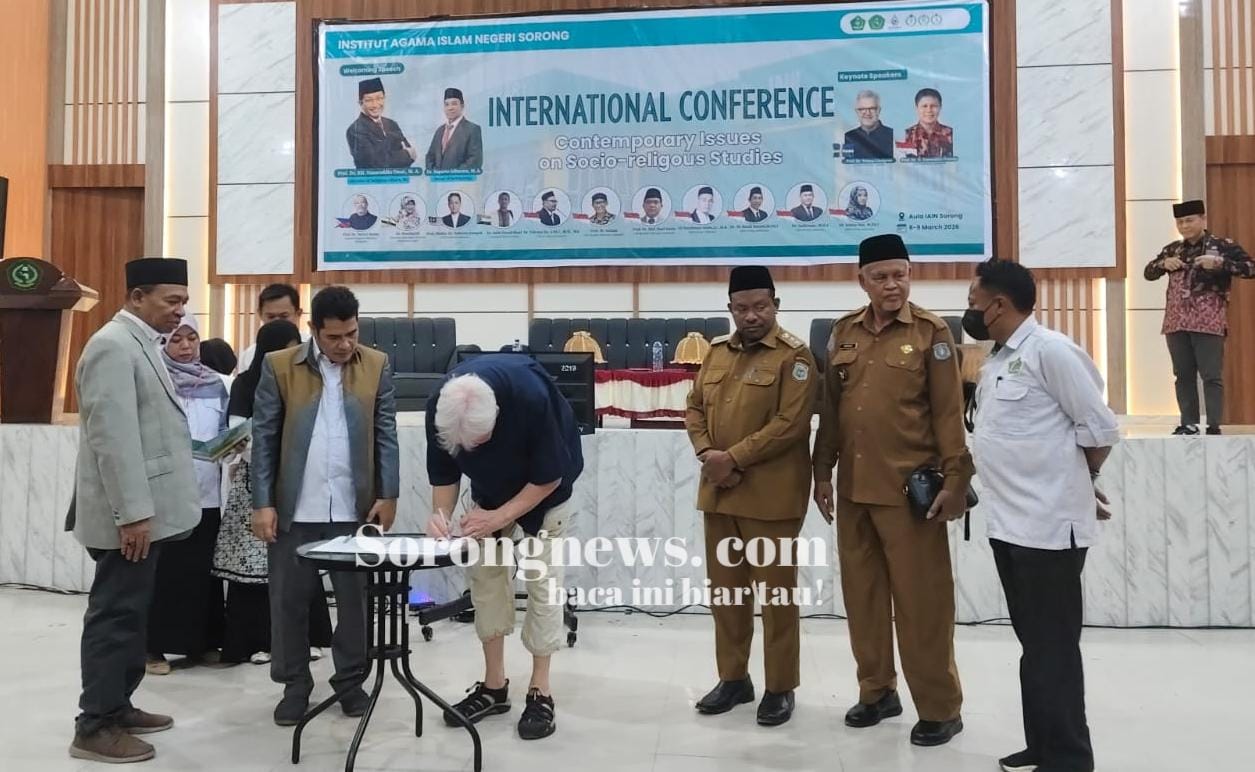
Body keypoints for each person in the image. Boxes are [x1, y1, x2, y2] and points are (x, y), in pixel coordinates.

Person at [812, 233, 972, 747]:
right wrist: (822, 471)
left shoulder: (931, 333)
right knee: (863, 600)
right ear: (862, 280)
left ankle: (941, 708)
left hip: (909, 494)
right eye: (880, 277)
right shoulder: (843, 333)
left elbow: (948, 415)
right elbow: (831, 411)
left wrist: (957, 480)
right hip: (854, 490)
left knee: (922, 605)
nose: (892, 285)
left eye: (900, 275)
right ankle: (877, 690)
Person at [965, 258, 1120, 772]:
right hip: (1009, 525)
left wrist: (1083, 478)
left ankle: (1069, 759)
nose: (970, 311)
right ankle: (1043, 744)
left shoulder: (1050, 351)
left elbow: (1099, 428)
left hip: (1050, 529)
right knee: (1034, 645)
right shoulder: (998, 360)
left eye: (973, 303)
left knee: (1053, 648)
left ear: (998, 305)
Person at [66, 257, 199, 763]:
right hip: (129, 518)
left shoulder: (142, 342)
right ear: (137, 297)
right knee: (115, 617)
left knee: (133, 614)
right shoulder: (112, 346)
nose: (180, 310)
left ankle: (118, 705)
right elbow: (113, 440)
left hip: (144, 513)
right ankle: (94, 725)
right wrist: (134, 514)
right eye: (171, 300)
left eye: (184, 301)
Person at [251, 286, 400, 726]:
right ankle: (294, 686)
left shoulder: (376, 365)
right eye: (334, 337)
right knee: (288, 603)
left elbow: (386, 434)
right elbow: (264, 439)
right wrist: (263, 503)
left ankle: (350, 683)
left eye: (352, 333)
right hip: (295, 508)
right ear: (313, 329)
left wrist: (388, 494)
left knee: (356, 604)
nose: (345, 344)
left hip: (354, 511)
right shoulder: (279, 366)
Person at [425, 354, 585, 741]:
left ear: (496, 419)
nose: (470, 451)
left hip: (546, 491)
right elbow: (444, 473)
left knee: (543, 583)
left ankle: (540, 690)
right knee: (485, 580)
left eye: (477, 444)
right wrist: (441, 517)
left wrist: (499, 518)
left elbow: (549, 476)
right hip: (490, 493)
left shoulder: (530, 398)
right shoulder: (442, 406)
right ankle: (494, 686)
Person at [684, 266, 818, 727]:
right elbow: (694, 406)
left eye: (760, 306)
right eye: (742, 308)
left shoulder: (794, 357)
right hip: (719, 495)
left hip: (771, 499)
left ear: (776, 305)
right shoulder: (716, 352)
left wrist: (733, 458)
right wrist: (707, 453)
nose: (751, 316)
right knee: (727, 595)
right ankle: (734, 678)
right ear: (730, 309)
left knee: (776, 599)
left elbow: (791, 424)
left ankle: (780, 687)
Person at [214, 320, 336, 666]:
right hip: (258, 484)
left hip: (301, 483)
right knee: (257, 567)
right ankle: (260, 640)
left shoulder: (308, 378)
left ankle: (309, 636)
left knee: (301, 560)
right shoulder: (245, 383)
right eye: (285, 347)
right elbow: (239, 433)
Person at [146, 315, 229, 676]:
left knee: (203, 570)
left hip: (207, 492)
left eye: (191, 338)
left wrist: (230, 444)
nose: (185, 346)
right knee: (167, 573)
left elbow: (224, 429)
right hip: (166, 492)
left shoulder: (217, 384)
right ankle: (153, 648)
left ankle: (203, 642)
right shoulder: (154, 380)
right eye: (176, 340)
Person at [1144, 199, 1254, 435]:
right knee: (1182, 375)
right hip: (1176, 321)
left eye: (1189, 220)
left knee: (1211, 376)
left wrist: (1220, 263)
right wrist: (1163, 263)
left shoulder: (1222, 246)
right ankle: (1189, 423)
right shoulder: (1173, 249)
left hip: (1208, 321)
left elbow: (1250, 268)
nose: (1184, 226)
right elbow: (1148, 273)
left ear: (1203, 219)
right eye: (1180, 222)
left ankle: (1213, 425)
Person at [345, 77, 416, 169]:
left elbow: (411, 155)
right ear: (360, 103)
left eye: (379, 98)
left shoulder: (392, 124)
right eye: (369, 100)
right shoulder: (355, 130)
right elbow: (376, 163)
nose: (375, 104)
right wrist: (406, 154)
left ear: (384, 99)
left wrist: (391, 156)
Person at [425, 87, 484, 171]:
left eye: (454, 104)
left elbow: (475, 161)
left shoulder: (472, 129)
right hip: (437, 179)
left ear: (462, 106)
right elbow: (429, 157)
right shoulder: (439, 131)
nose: (450, 108)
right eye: (447, 104)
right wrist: (435, 173)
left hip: (460, 179)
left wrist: (452, 175)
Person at [843, 90, 895, 161]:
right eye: (862, 109)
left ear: (879, 110)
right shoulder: (848, 137)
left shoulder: (892, 135)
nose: (867, 113)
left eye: (872, 108)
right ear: (857, 112)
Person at [903, 88, 954, 159]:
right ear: (916, 108)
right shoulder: (906, 136)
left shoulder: (951, 134)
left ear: (940, 107)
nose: (929, 110)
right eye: (924, 106)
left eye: (934, 106)